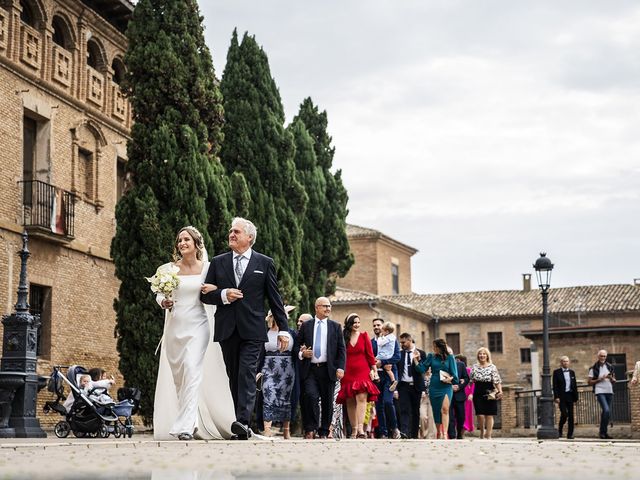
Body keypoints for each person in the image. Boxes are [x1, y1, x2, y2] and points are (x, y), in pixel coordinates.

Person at [201, 217, 291, 440]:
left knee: (247, 373)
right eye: (231, 231)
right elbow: (206, 295)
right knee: (234, 376)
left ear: (249, 238)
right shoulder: (218, 262)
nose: (231, 234)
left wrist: (284, 329)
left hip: (253, 330)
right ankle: (240, 423)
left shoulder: (264, 263)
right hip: (227, 329)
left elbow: (274, 298)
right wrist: (223, 294)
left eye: (236, 232)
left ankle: (242, 422)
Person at [155, 226, 235, 440]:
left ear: (196, 243)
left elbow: (217, 292)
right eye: (179, 240)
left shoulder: (209, 268)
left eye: (186, 239)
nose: (182, 243)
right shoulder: (168, 269)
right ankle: (192, 421)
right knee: (180, 379)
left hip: (199, 325)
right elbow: (159, 294)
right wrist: (163, 301)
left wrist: (217, 292)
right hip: (175, 328)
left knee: (192, 369)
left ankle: (184, 428)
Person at [295, 297, 346, 439]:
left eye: (329, 306)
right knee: (311, 396)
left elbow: (342, 350)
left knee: (327, 401)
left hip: (328, 369)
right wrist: (302, 353)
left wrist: (341, 367)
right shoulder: (306, 326)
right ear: (316, 307)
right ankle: (310, 428)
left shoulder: (335, 327)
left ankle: (324, 431)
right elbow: (296, 346)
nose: (328, 309)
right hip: (310, 369)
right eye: (324, 306)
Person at [336, 313, 379, 438]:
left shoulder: (364, 336)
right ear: (349, 323)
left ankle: (361, 429)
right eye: (354, 322)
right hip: (348, 372)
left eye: (358, 322)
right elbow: (340, 354)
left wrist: (374, 370)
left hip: (362, 371)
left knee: (361, 398)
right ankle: (354, 430)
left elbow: (370, 355)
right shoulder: (344, 337)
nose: (357, 325)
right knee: (350, 401)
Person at [261, 305, 297, 439]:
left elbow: (297, 349)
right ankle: (267, 428)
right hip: (268, 368)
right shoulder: (265, 332)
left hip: (287, 370)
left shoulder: (291, 333)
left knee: (285, 398)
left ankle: (286, 429)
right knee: (268, 394)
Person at [413, 338, 458, 439]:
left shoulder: (450, 358)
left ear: (440, 347)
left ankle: (445, 433)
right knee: (437, 410)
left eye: (435, 347)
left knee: (445, 409)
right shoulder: (431, 357)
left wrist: (450, 379)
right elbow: (422, 369)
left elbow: (455, 376)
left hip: (446, 386)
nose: (433, 349)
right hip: (434, 386)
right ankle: (439, 432)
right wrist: (415, 360)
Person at [371, 318, 401, 439]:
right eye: (374, 325)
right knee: (378, 404)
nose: (376, 327)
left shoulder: (392, 340)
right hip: (377, 376)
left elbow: (397, 357)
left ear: (384, 327)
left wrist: (383, 362)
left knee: (388, 401)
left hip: (390, 374)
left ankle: (394, 428)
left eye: (379, 325)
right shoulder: (371, 342)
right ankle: (383, 432)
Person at [396, 333, 426, 439]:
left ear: (410, 340)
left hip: (416, 386)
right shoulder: (400, 354)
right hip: (403, 386)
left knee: (415, 410)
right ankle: (404, 432)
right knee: (404, 409)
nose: (401, 344)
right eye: (400, 342)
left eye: (403, 342)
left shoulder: (421, 353)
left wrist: (416, 360)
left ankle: (414, 434)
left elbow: (424, 369)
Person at [469, 347, 502, 440]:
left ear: (487, 356)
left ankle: (488, 434)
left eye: (484, 354)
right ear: (478, 356)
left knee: (489, 413)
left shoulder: (492, 367)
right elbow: (470, 381)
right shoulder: (474, 367)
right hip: (478, 390)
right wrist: (469, 391)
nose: (482, 355)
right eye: (480, 354)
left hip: (490, 390)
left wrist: (500, 391)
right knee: (480, 414)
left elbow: (497, 380)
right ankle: (482, 431)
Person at [588, 349, 616, 439]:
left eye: (604, 356)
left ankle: (603, 433)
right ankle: (602, 432)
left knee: (606, 412)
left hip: (609, 390)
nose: (603, 357)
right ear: (598, 356)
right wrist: (599, 380)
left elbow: (614, 380)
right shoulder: (593, 368)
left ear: (606, 357)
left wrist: (612, 379)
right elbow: (589, 382)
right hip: (599, 391)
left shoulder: (610, 366)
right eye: (601, 356)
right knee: (606, 410)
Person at [552, 355, 579, 439]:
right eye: (564, 361)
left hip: (570, 395)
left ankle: (570, 434)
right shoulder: (556, 372)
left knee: (571, 416)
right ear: (561, 363)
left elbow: (574, 385)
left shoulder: (572, 372)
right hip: (561, 396)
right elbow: (555, 385)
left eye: (567, 361)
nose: (566, 363)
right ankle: (560, 429)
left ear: (569, 362)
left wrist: (576, 397)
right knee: (564, 414)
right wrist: (556, 397)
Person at [448, 353, 470, 440]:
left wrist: (459, 386)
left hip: (459, 394)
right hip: (448, 393)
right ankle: (452, 435)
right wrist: (450, 387)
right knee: (450, 416)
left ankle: (459, 434)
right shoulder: (443, 365)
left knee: (461, 416)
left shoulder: (461, 365)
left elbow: (466, 379)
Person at [375, 322, 399, 391]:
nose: (381, 331)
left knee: (374, 362)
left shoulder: (387, 338)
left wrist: (380, 337)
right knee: (388, 369)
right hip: (389, 356)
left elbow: (380, 343)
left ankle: (375, 375)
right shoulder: (393, 337)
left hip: (384, 355)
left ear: (387, 331)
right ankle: (393, 380)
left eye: (383, 330)